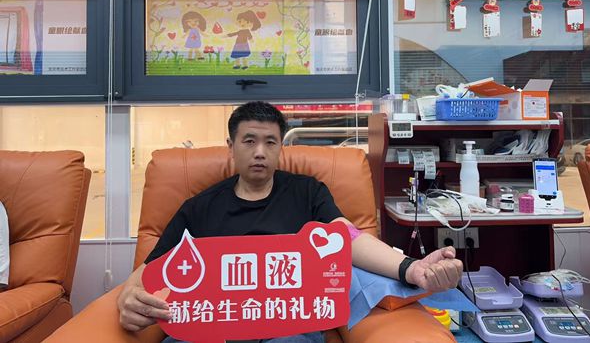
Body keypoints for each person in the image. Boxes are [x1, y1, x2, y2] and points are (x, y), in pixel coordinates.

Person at [117, 101, 463, 342]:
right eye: (249, 141)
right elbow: (146, 273)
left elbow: (347, 237)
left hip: (289, 325)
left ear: (280, 147)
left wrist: (411, 268)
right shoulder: (199, 208)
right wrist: (127, 299)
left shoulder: (307, 193)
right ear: (230, 147)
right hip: (213, 327)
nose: (259, 152)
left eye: (270, 142)